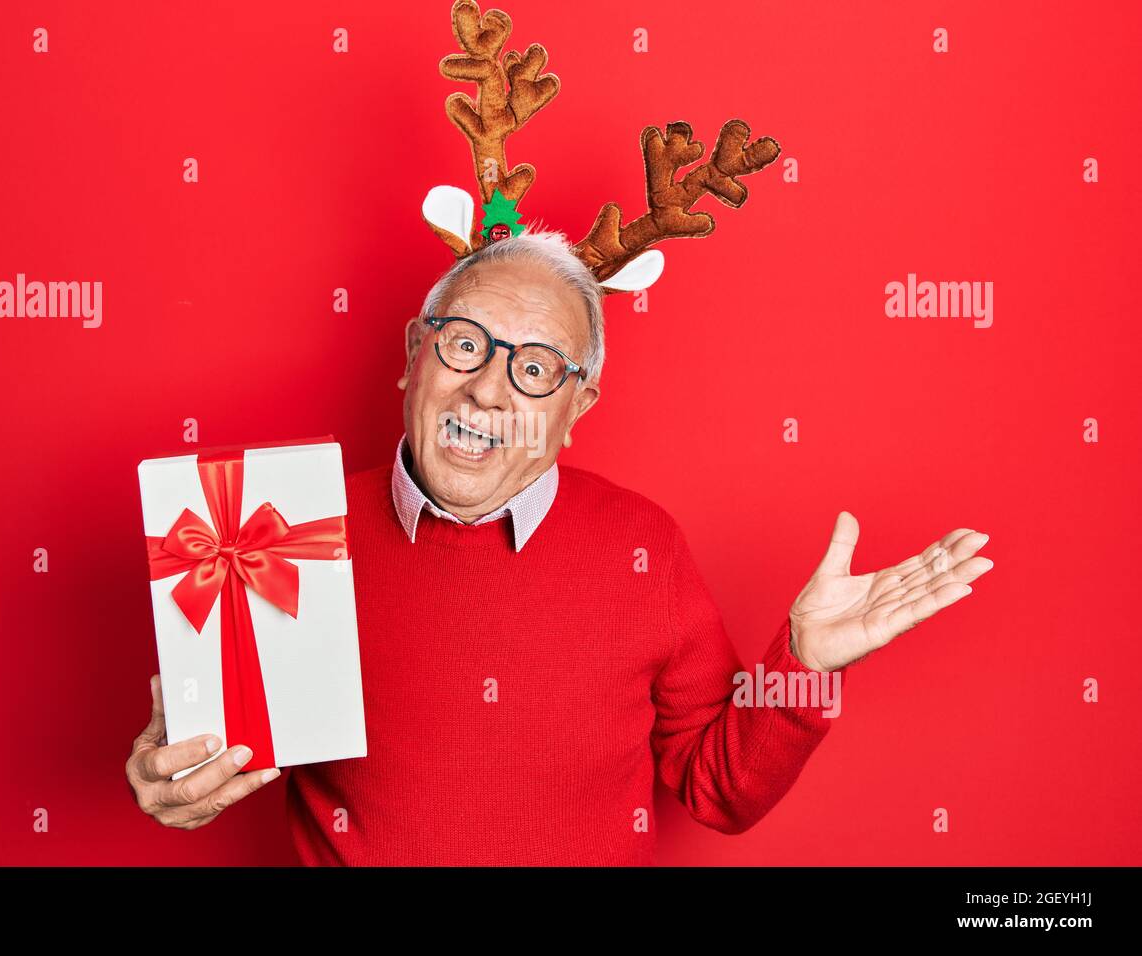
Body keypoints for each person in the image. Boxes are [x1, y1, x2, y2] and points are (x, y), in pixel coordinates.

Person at [125, 231, 993, 864]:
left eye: (537, 369)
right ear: (411, 357)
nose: (489, 389)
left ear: (578, 409)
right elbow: (210, 758)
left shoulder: (642, 549)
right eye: (465, 344)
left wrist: (804, 665)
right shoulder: (278, 536)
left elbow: (718, 793)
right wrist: (177, 782)